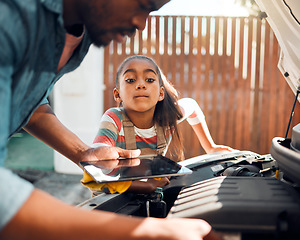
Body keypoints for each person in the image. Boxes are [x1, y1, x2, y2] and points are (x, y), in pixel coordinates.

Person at [0, 0, 219, 239]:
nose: (141, 24)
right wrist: (150, 232)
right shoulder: (10, 18)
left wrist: (83, 153)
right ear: (117, 94)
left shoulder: (78, 36)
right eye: (143, 4)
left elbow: (32, 106)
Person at [81, 55, 234, 195]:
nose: (141, 84)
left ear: (161, 93)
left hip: (151, 194)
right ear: (117, 94)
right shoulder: (113, 118)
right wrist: (145, 186)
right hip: (110, 198)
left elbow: (192, 106)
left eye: (149, 79)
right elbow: (95, 172)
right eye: (130, 80)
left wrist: (210, 146)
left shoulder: (168, 118)